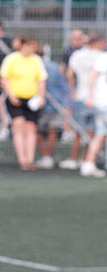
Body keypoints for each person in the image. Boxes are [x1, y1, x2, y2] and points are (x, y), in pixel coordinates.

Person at [0, 36, 47, 170]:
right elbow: (4, 78)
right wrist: (11, 95)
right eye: (31, 45)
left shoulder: (36, 60)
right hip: (15, 98)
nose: (33, 48)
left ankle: (30, 159)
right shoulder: (12, 58)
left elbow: (41, 80)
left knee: (31, 127)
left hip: (32, 99)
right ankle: (22, 160)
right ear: (23, 45)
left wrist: (41, 97)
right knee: (18, 125)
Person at [60, 33, 106, 170]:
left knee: (80, 131)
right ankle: (86, 160)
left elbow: (69, 74)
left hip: (80, 96)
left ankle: (74, 159)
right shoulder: (102, 56)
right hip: (98, 99)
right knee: (94, 132)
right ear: (97, 42)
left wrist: (72, 91)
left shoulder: (77, 54)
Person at [35, 45, 71, 169]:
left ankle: (45, 155)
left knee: (38, 130)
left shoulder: (34, 65)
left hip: (38, 103)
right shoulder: (54, 66)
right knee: (52, 130)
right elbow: (63, 86)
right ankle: (48, 155)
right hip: (55, 103)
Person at [80, 45, 107, 178]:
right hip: (104, 103)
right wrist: (90, 96)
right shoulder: (104, 58)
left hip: (101, 103)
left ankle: (88, 164)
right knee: (100, 134)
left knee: (100, 134)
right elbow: (92, 78)